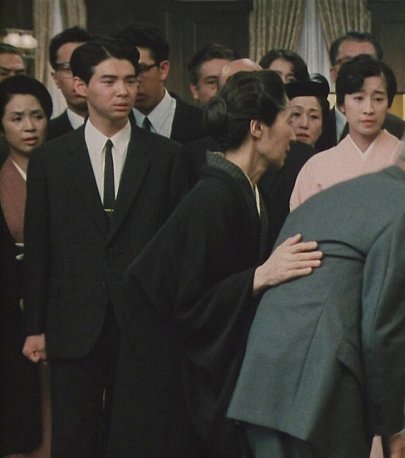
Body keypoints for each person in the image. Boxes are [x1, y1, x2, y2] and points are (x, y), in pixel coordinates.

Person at [227, 117, 405, 458]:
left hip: (261, 382)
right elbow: (385, 327)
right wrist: (391, 427)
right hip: (322, 393)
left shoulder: (337, 195)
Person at [113, 70, 322, 457]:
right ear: (257, 127)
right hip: (166, 381)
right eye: (287, 119)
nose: (294, 134)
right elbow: (189, 306)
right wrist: (260, 276)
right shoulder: (213, 197)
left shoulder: (244, 190)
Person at [21, 38, 185, 457]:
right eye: (109, 81)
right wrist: (35, 326)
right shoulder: (51, 160)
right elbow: (40, 248)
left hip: (144, 322)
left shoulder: (167, 157)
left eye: (130, 80)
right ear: (80, 86)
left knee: (138, 439)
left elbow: (175, 249)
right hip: (73, 322)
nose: (123, 91)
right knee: (73, 437)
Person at [0, 75, 51, 457]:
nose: (29, 127)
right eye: (17, 118)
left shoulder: (65, 170)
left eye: (37, 116)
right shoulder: (2, 179)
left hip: (62, 305)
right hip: (11, 313)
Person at [290, 55, 401, 209]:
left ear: (389, 103)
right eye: (358, 98)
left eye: (378, 99)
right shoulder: (317, 167)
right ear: (342, 105)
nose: (368, 109)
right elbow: (304, 220)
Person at [258, 76, 329, 240]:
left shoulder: (328, 163)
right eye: (295, 114)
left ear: (323, 125)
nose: (304, 124)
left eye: (314, 117)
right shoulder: (268, 161)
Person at [316, 31, 405, 152]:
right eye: (348, 63)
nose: (357, 70)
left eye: (366, 63)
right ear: (333, 73)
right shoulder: (312, 125)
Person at [116, 23, 206, 143]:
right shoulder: (113, 124)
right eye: (126, 73)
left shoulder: (201, 123)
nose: (133, 82)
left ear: (163, 69)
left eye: (140, 70)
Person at [47, 26, 92, 140]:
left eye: (85, 66)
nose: (78, 80)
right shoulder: (45, 136)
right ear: (56, 79)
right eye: (68, 69)